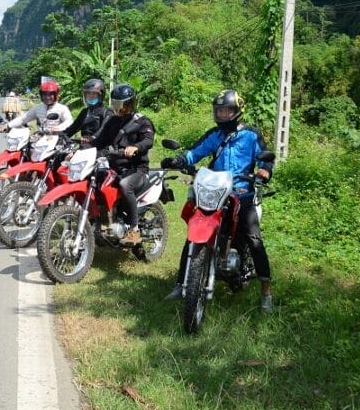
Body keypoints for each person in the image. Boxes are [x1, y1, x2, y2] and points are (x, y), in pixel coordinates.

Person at [162, 89, 275, 313]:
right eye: (219, 111)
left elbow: (267, 156)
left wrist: (264, 171)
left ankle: (266, 292)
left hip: (242, 194)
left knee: (254, 239)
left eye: (227, 110)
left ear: (237, 111)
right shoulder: (214, 135)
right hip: (215, 192)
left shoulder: (251, 135)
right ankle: (180, 284)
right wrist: (179, 159)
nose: (222, 114)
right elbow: (195, 152)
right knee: (193, 234)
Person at [90, 83, 155, 246]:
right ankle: (101, 222)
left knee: (126, 185)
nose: (120, 109)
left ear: (131, 103)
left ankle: (134, 229)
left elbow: (148, 139)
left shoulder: (142, 121)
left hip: (136, 169)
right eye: (116, 105)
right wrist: (81, 150)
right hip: (113, 168)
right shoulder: (112, 121)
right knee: (93, 181)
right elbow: (99, 141)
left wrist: (136, 147)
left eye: (123, 105)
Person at [0, 80, 73, 134]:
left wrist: (58, 128)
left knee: (68, 155)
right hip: (42, 138)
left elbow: (69, 121)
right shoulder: (38, 108)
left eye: (50, 94)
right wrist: (8, 125)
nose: (47, 97)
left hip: (59, 140)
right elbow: (23, 119)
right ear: (41, 95)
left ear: (55, 95)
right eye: (45, 94)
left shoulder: (62, 108)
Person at [64, 78, 113, 143]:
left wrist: (93, 137)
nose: (91, 96)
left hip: (101, 148)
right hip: (85, 147)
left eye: (94, 94)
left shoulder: (107, 112)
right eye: (88, 93)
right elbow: (73, 128)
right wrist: (61, 135)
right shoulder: (84, 112)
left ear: (101, 95)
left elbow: (103, 130)